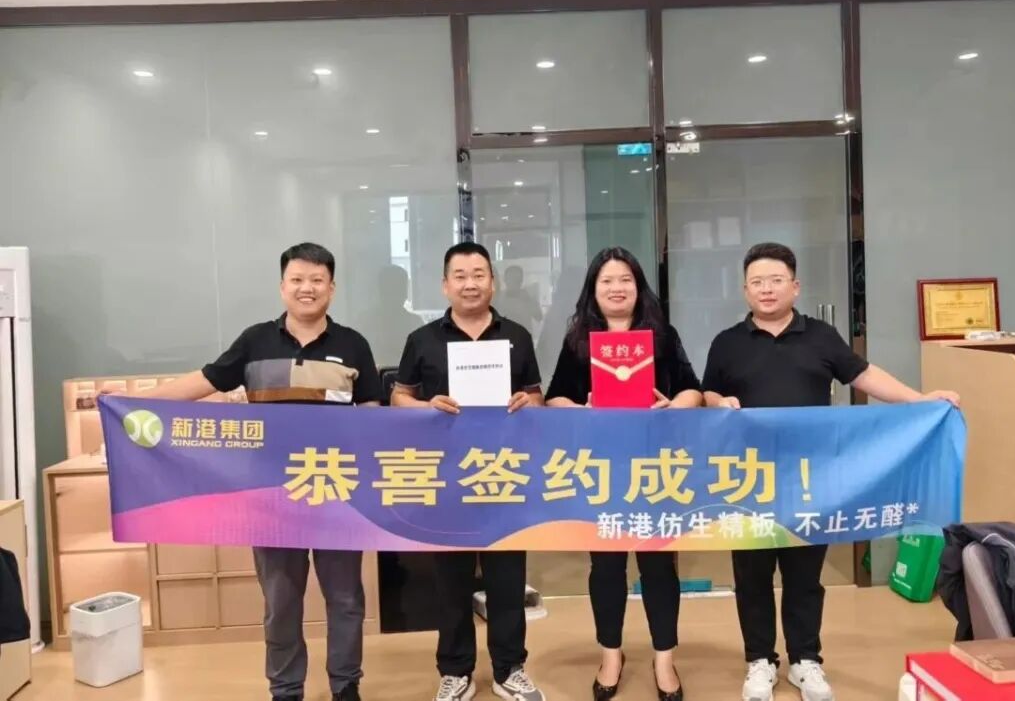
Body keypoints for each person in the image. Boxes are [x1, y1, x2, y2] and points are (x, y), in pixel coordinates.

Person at [111, 242, 379, 701]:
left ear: (332, 288)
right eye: (298, 279)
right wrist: (132, 402)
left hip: (335, 490)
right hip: (270, 496)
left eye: (317, 280)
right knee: (280, 602)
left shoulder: (353, 344)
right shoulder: (255, 341)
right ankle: (286, 689)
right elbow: (204, 380)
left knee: (346, 599)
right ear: (282, 286)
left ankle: (345, 685)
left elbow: (373, 412)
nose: (307, 288)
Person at [702, 242, 959, 701]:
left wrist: (920, 400)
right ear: (745, 290)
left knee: (804, 575)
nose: (766, 289)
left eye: (776, 280)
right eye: (757, 282)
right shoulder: (727, 342)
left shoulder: (821, 336)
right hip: (749, 479)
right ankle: (759, 661)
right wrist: (719, 402)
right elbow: (708, 394)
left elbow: (864, 375)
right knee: (752, 576)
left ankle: (805, 660)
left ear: (795, 286)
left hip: (810, 480)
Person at [391, 241, 546, 701]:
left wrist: (526, 401)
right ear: (445, 285)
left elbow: (536, 396)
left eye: (479, 274)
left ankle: (509, 669)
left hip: (504, 472)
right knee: (451, 580)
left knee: (507, 579)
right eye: (460, 276)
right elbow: (399, 398)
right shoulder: (422, 339)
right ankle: (456, 670)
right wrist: (426, 406)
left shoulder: (517, 335)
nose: (470, 283)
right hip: (446, 476)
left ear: (492, 282)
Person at [546, 247, 702, 701]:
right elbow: (555, 397)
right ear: (593, 290)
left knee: (658, 566)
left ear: (639, 287)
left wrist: (674, 406)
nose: (617, 288)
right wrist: (583, 410)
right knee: (607, 567)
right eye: (607, 281)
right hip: (602, 469)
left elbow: (693, 390)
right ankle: (611, 655)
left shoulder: (662, 336)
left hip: (656, 468)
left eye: (625, 280)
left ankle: (664, 659)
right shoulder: (578, 339)